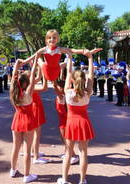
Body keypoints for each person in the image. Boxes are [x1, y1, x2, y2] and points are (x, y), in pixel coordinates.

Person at [57, 52, 95, 184]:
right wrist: (90, 58)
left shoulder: (67, 91)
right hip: (84, 122)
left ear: (73, 80)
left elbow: (68, 73)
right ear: (84, 80)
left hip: (71, 123)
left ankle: (64, 179)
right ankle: (82, 180)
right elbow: (91, 75)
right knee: (83, 153)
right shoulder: (87, 92)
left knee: (68, 153)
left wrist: (70, 58)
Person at [21, 29, 102, 82]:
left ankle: (41, 62)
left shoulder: (60, 49)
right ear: (46, 39)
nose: (52, 39)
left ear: (57, 39)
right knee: (40, 59)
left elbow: (72, 50)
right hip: (47, 69)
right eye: (49, 38)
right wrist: (24, 61)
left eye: (54, 38)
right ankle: (40, 62)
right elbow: (34, 56)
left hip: (56, 69)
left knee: (63, 63)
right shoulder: (44, 49)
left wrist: (87, 52)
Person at [9, 57, 38, 183]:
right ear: (26, 83)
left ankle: (13, 170)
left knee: (15, 147)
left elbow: (13, 78)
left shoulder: (13, 92)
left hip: (17, 119)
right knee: (27, 149)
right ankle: (27, 175)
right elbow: (32, 76)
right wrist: (35, 61)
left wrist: (17, 64)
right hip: (28, 121)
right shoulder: (28, 93)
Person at [53, 79, 79, 165]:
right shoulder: (64, 95)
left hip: (64, 120)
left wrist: (52, 79)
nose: (57, 88)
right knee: (64, 138)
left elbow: (55, 87)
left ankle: (74, 156)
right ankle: (67, 153)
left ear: (62, 88)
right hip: (63, 119)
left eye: (59, 87)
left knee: (65, 139)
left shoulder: (62, 96)